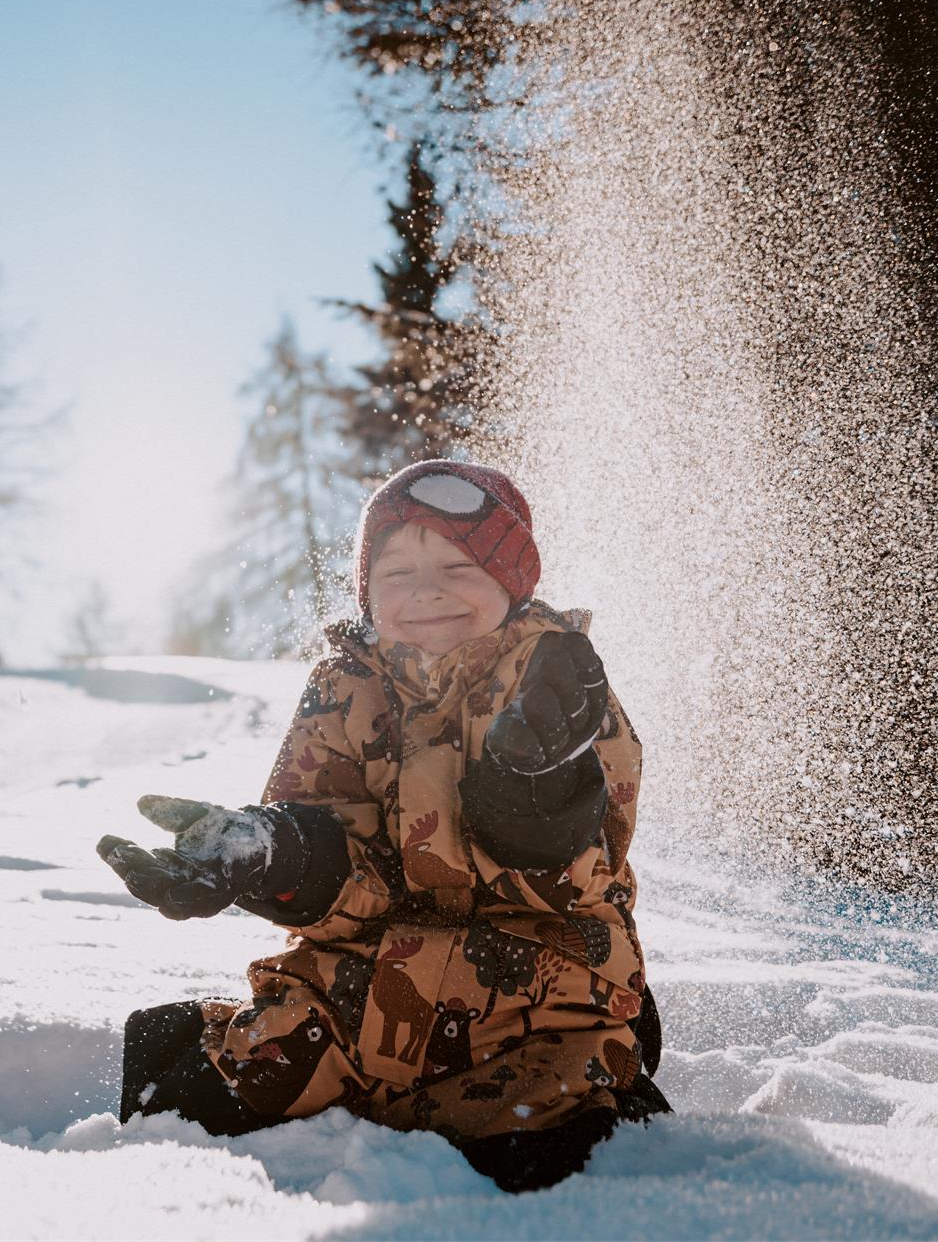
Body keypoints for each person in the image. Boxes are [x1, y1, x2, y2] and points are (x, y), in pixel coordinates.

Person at [97, 459, 668, 1193]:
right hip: (365, 994)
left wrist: (536, 792)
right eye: (395, 574)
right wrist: (272, 856)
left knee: (548, 1154)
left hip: (536, 993)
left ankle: (608, 1090)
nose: (424, 590)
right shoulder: (344, 687)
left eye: (458, 565)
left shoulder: (556, 679)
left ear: (511, 578)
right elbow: (345, 854)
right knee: (188, 1103)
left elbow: (585, 866)